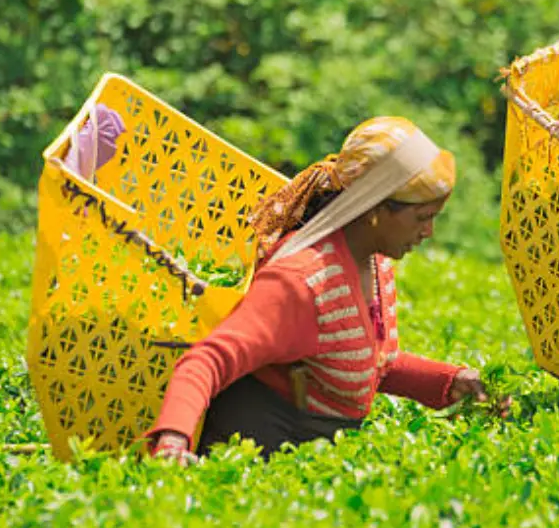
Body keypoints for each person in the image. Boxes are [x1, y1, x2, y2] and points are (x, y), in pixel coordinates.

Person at [147, 117, 491, 462]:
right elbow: (207, 360)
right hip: (252, 457)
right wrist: (173, 442)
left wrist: (451, 382)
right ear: (375, 208)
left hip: (311, 460)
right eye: (422, 217)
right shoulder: (303, 281)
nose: (429, 232)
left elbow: (367, 362)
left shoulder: (377, 264)